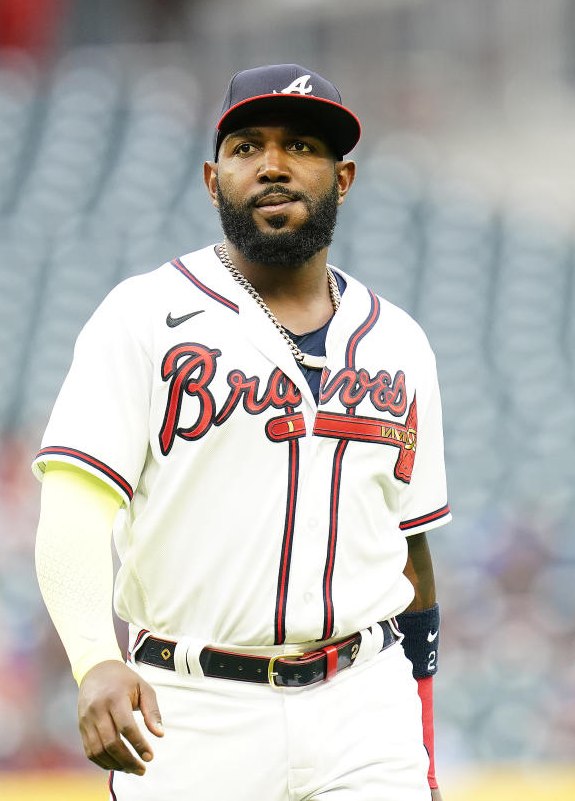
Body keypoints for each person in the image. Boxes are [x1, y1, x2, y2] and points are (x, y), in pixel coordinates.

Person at [33, 63, 450, 800]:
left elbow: (409, 545)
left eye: (303, 147)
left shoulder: (400, 344)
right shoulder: (143, 318)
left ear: (343, 179)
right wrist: (95, 657)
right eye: (248, 146)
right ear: (212, 177)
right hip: (191, 708)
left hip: (364, 705)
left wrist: (420, 724)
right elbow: (74, 509)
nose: (274, 166)